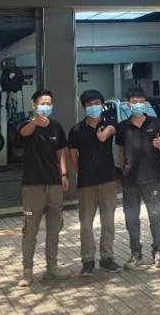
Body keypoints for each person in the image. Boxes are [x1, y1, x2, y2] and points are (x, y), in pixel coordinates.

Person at [16, 89, 70, 287]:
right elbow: (23, 134)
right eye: (42, 103)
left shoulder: (56, 127)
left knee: (54, 229)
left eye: (49, 103)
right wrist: (35, 123)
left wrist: (64, 174)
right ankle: (27, 272)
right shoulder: (26, 125)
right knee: (30, 230)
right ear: (34, 105)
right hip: (33, 186)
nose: (46, 107)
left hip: (54, 184)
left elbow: (60, 152)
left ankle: (52, 268)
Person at [68, 89, 123, 276]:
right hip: (86, 184)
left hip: (108, 181)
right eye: (89, 104)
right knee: (86, 224)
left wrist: (105, 133)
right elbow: (72, 156)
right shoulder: (76, 130)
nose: (93, 107)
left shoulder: (109, 123)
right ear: (84, 107)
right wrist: (82, 173)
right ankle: (88, 260)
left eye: (97, 103)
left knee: (108, 222)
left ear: (102, 104)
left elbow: (113, 129)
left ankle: (107, 258)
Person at [116, 86, 160, 269]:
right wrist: (123, 172)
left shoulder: (155, 122)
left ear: (145, 103)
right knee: (131, 218)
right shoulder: (123, 127)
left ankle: (158, 251)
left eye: (140, 101)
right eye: (134, 101)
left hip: (151, 178)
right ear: (128, 104)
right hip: (130, 180)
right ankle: (136, 253)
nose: (138, 104)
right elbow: (121, 151)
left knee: (155, 215)